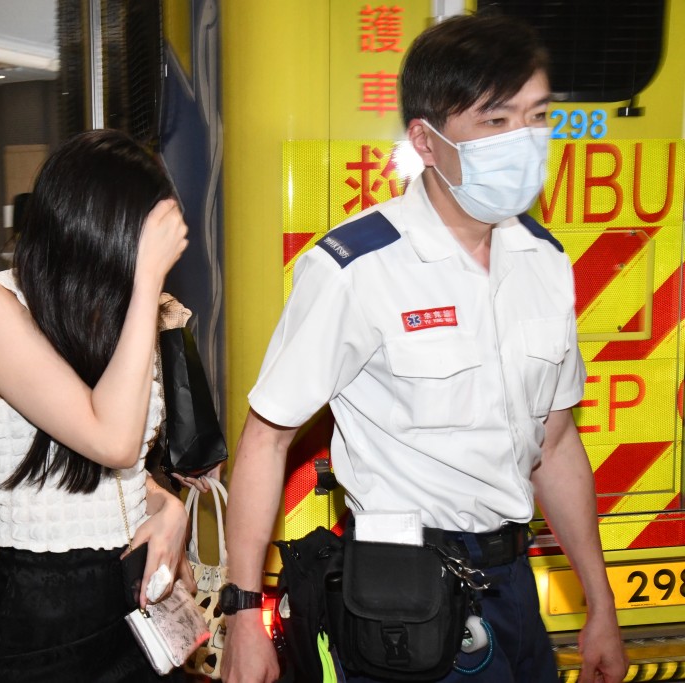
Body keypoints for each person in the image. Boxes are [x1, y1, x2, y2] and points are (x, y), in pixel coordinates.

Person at [221, 13, 627, 683]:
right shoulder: (357, 268)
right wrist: (242, 614)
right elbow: (266, 439)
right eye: (496, 121)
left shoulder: (545, 261)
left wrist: (601, 603)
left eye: (536, 116)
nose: (524, 139)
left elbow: (555, 447)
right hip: (403, 599)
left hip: (513, 586)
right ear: (425, 141)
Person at [0, 129, 192, 682]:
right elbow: (112, 440)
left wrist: (167, 506)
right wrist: (146, 283)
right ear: (96, 226)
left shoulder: (112, 315)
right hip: (41, 615)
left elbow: (105, 472)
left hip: (133, 592)